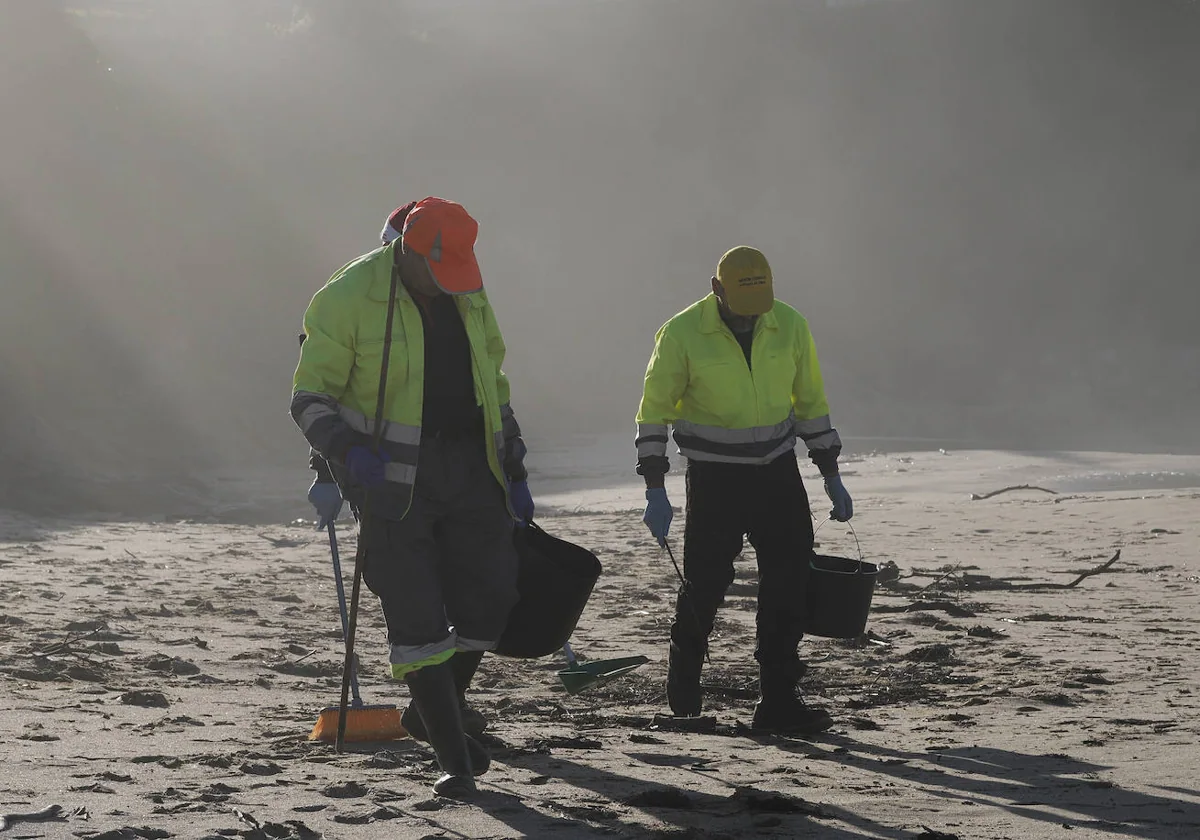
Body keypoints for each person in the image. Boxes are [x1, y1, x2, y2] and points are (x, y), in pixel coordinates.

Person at [291, 196, 534, 798]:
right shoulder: (346, 297)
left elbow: (493, 380)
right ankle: (455, 759)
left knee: (493, 596)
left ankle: (430, 712)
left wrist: (515, 460)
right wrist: (346, 453)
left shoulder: (466, 288)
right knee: (416, 609)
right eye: (439, 272)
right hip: (389, 479)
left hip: (472, 468)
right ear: (407, 250)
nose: (450, 285)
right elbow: (309, 398)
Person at [634, 245, 852, 735]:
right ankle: (684, 690)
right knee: (705, 585)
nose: (754, 320)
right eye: (743, 309)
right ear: (717, 290)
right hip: (714, 480)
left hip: (778, 474)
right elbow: (654, 411)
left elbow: (811, 401)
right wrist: (654, 486)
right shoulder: (681, 333)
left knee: (789, 583)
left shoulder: (790, 324)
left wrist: (831, 472)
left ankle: (778, 699)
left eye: (761, 309)